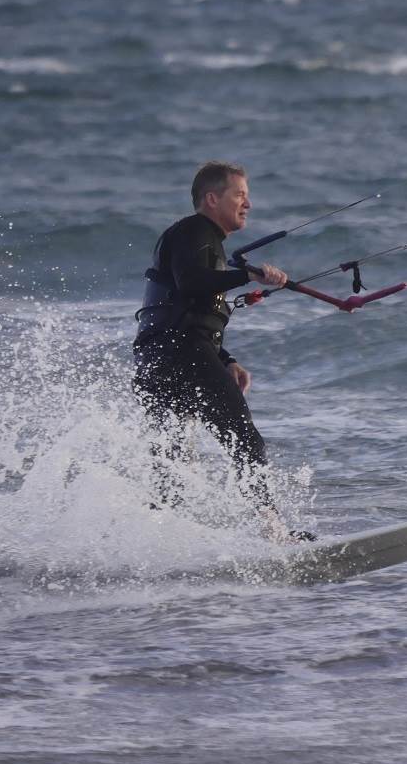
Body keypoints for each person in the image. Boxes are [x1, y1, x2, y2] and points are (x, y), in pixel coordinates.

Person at [133, 160, 312, 542]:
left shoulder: (198, 242)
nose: (247, 204)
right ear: (212, 199)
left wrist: (225, 359)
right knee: (243, 437)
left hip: (160, 358)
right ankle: (276, 534)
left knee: (171, 461)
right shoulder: (195, 230)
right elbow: (194, 284)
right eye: (240, 195)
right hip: (179, 353)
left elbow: (188, 309)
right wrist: (249, 274)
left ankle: (154, 544)